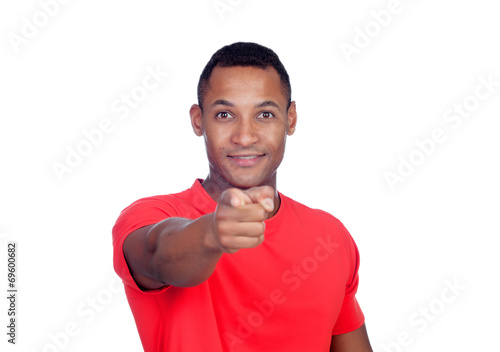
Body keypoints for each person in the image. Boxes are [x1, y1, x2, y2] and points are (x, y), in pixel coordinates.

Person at [112, 42, 373, 352]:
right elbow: (160, 253)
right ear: (198, 120)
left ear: (290, 119)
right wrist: (211, 233)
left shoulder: (331, 237)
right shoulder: (150, 215)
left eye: (264, 114)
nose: (245, 136)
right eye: (225, 114)